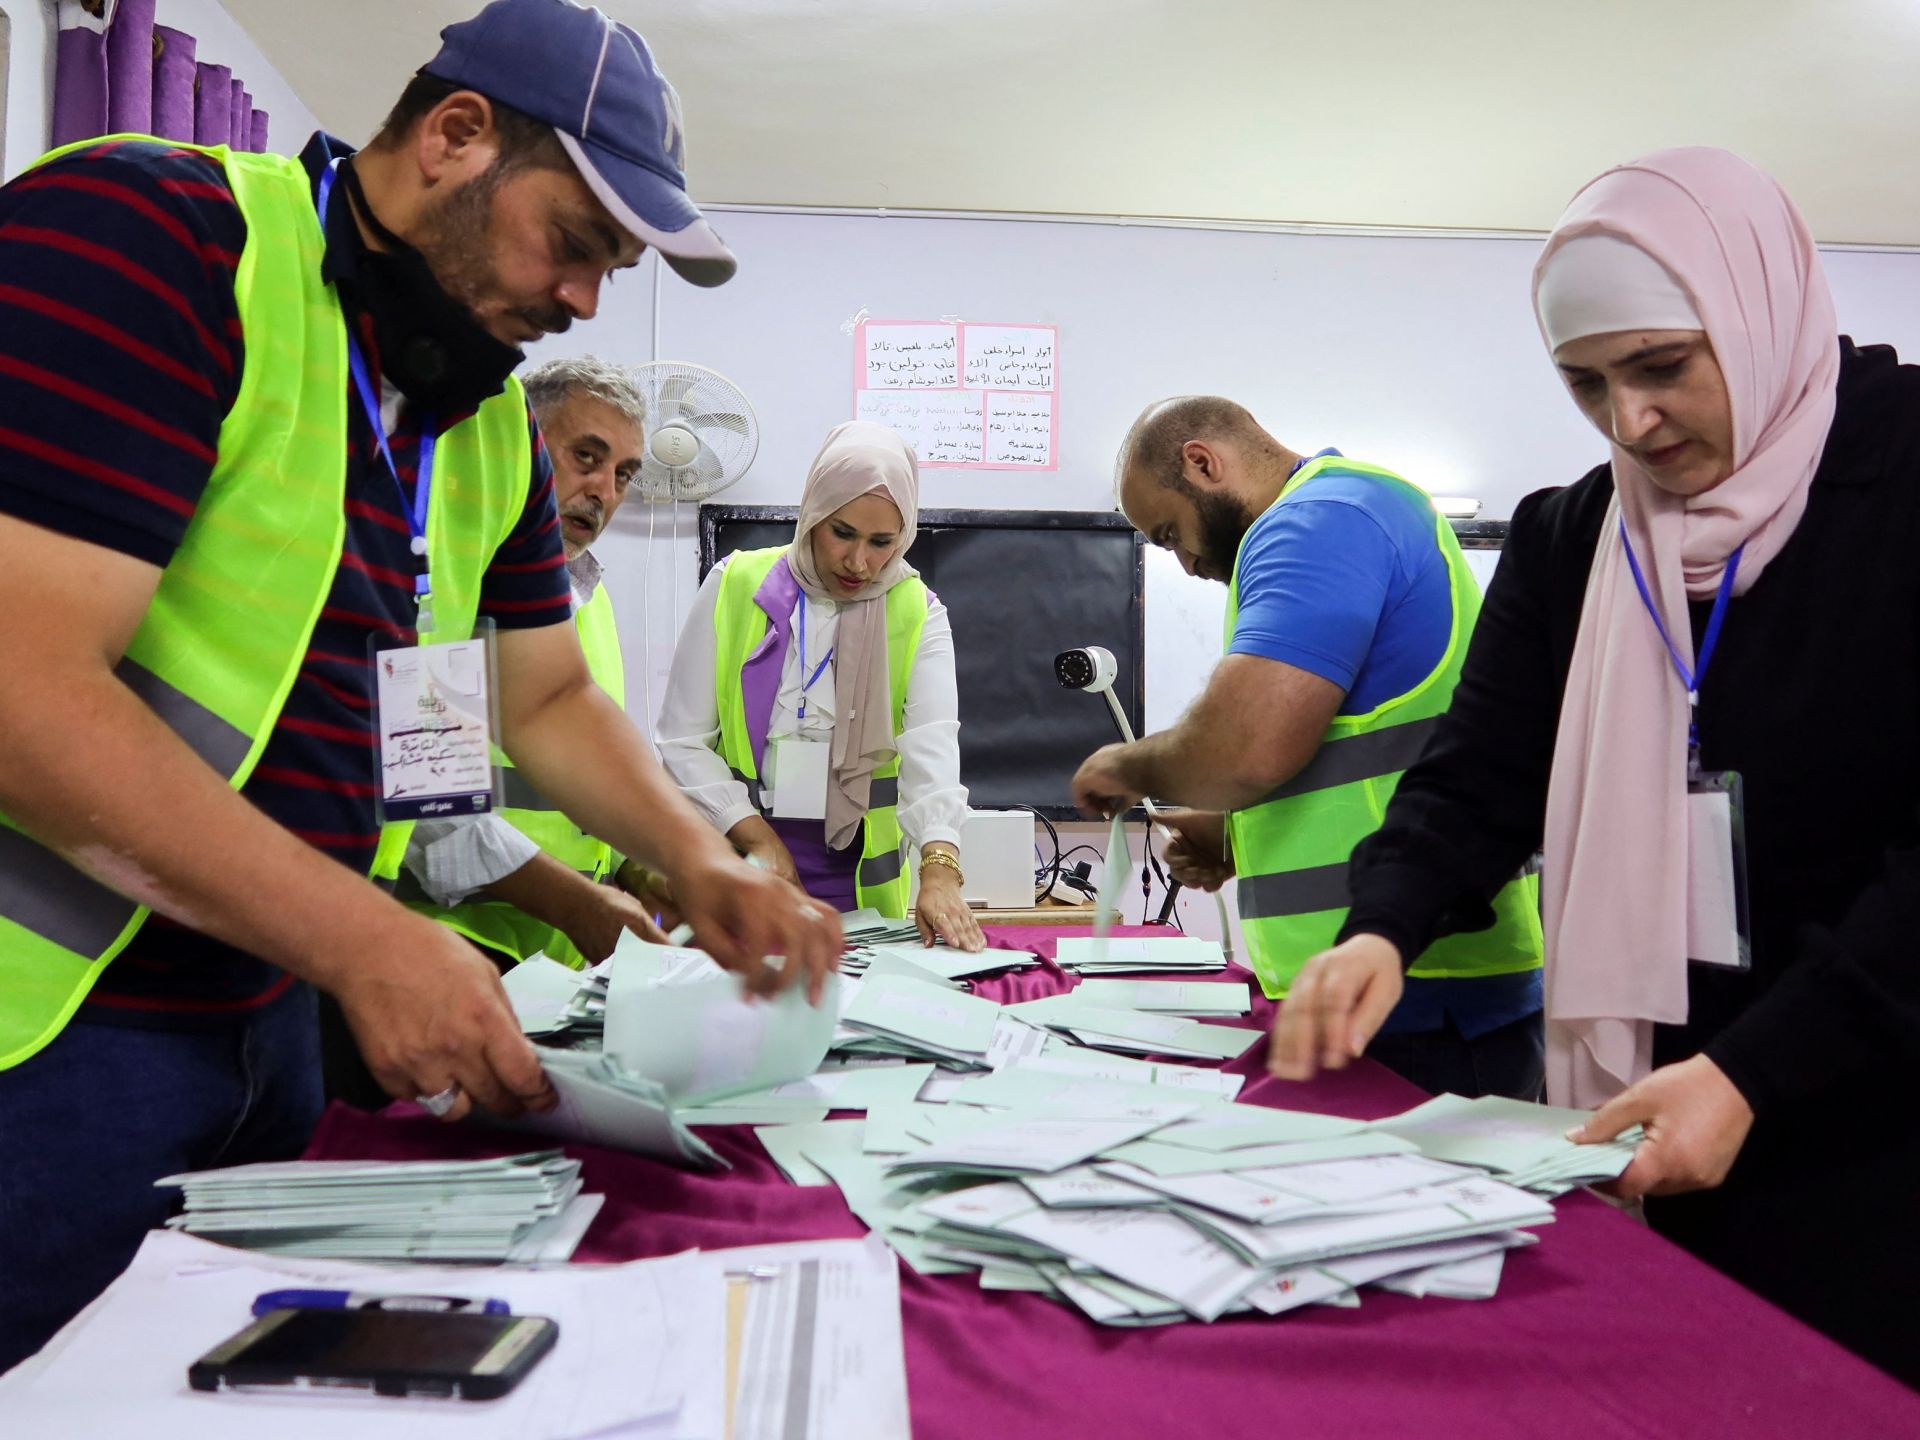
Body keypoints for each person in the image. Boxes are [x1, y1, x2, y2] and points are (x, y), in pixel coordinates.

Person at [0, 0, 839, 1372]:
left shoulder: (477, 423)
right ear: (456, 137)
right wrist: (369, 940)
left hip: (265, 1021)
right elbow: (18, 689)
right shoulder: (156, 240)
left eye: (608, 270)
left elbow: (547, 700)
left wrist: (699, 860)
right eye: (575, 243)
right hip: (46, 1036)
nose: (580, 300)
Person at [1268, 147, 1920, 1386]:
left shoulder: (1902, 484)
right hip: (1655, 1101)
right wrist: (1381, 927)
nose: (1633, 422)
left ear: (1758, 313)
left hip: (1877, 1109)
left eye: (1664, 368)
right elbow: (1474, 779)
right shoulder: (1579, 533)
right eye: (1586, 386)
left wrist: (1757, 1073)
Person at [1071, 397, 1544, 1098]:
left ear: (1203, 463)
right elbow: (1348, 751)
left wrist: (1122, 764)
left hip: (1418, 994)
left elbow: (1246, 747)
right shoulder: (1339, 517)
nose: (1185, 562)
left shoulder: (1321, 521)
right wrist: (1233, 835)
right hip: (1376, 988)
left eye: (1170, 532)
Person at [389, 354, 676, 970]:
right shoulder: (441, 583)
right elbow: (424, 808)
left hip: (559, 956)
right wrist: (575, 903)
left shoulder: (588, 597)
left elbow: (581, 772)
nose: (604, 490)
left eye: (624, 474)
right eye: (586, 458)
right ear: (517, 450)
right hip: (451, 945)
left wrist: (638, 865)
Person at [658, 421, 985, 952]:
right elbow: (680, 741)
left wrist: (940, 867)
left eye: (883, 542)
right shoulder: (735, 584)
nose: (860, 563)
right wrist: (760, 842)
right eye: (843, 533)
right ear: (812, 515)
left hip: (858, 885)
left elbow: (933, 749)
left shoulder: (917, 611)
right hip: (737, 858)